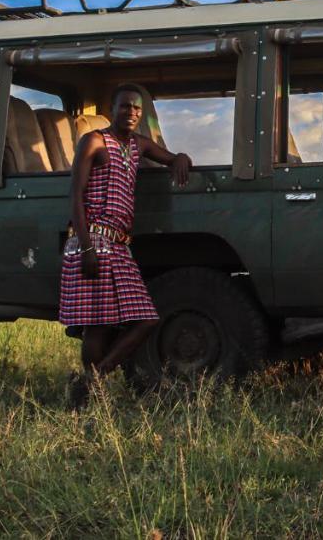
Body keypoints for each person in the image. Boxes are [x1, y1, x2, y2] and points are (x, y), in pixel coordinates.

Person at [59, 84, 192, 407]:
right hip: (91, 239)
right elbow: (75, 196)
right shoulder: (93, 141)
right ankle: (89, 393)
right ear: (112, 108)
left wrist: (182, 158)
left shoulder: (138, 144)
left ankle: (93, 379)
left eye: (136, 109)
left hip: (119, 244)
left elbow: (170, 157)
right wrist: (87, 247)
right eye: (124, 107)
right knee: (98, 324)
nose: (131, 113)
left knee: (145, 318)